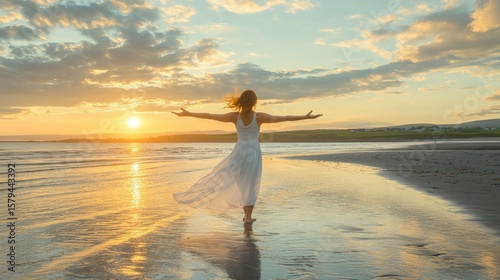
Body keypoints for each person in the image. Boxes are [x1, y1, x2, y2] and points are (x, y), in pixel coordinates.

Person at [172, 89, 322, 224]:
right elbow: (284, 118)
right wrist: (306, 117)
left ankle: (246, 216)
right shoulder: (259, 117)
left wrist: (188, 113)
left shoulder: (234, 116)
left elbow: (210, 116)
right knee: (252, 182)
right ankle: (248, 217)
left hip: (239, 152)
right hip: (253, 152)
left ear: (242, 101)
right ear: (254, 102)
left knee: (241, 183)